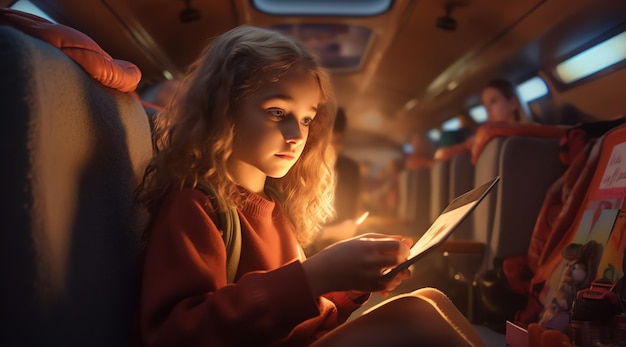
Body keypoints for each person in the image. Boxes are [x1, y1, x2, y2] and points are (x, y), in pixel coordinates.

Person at [132, 25, 485, 347]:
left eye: (306, 119)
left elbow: (303, 317)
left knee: (430, 299)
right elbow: (176, 334)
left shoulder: (272, 204)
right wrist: (314, 274)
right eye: (277, 113)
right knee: (415, 318)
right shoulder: (195, 207)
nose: (297, 135)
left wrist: (349, 285)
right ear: (224, 109)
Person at [306, 107, 363, 254]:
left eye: (337, 141)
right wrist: (329, 232)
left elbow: (351, 213)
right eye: (327, 141)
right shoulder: (293, 171)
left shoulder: (349, 169)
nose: (333, 148)